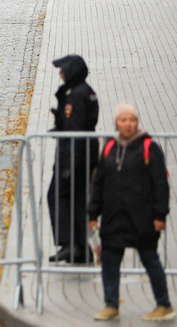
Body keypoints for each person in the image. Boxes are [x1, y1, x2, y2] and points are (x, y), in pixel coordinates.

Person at [87, 103, 173, 322]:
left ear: (137, 122)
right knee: (110, 262)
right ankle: (111, 305)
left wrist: (160, 216)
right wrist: (92, 215)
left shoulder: (148, 147)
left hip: (142, 218)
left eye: (131, 119)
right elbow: (99, 183)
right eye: (123, 120)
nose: (127, 124)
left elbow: (160, 184)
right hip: (114, 218)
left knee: (150, 260)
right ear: (117, 123)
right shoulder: (109, 147)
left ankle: (164, 304)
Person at [47, 54, 100, 264]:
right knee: (77, 200)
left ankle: (70, 244)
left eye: (62, 70)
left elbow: (76, 132)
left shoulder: (76, 95)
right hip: (84, 153)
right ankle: (80, 247)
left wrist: (69, 165)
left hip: (75, 155)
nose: (60, 74)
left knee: (58, 196)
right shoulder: (85, 91)